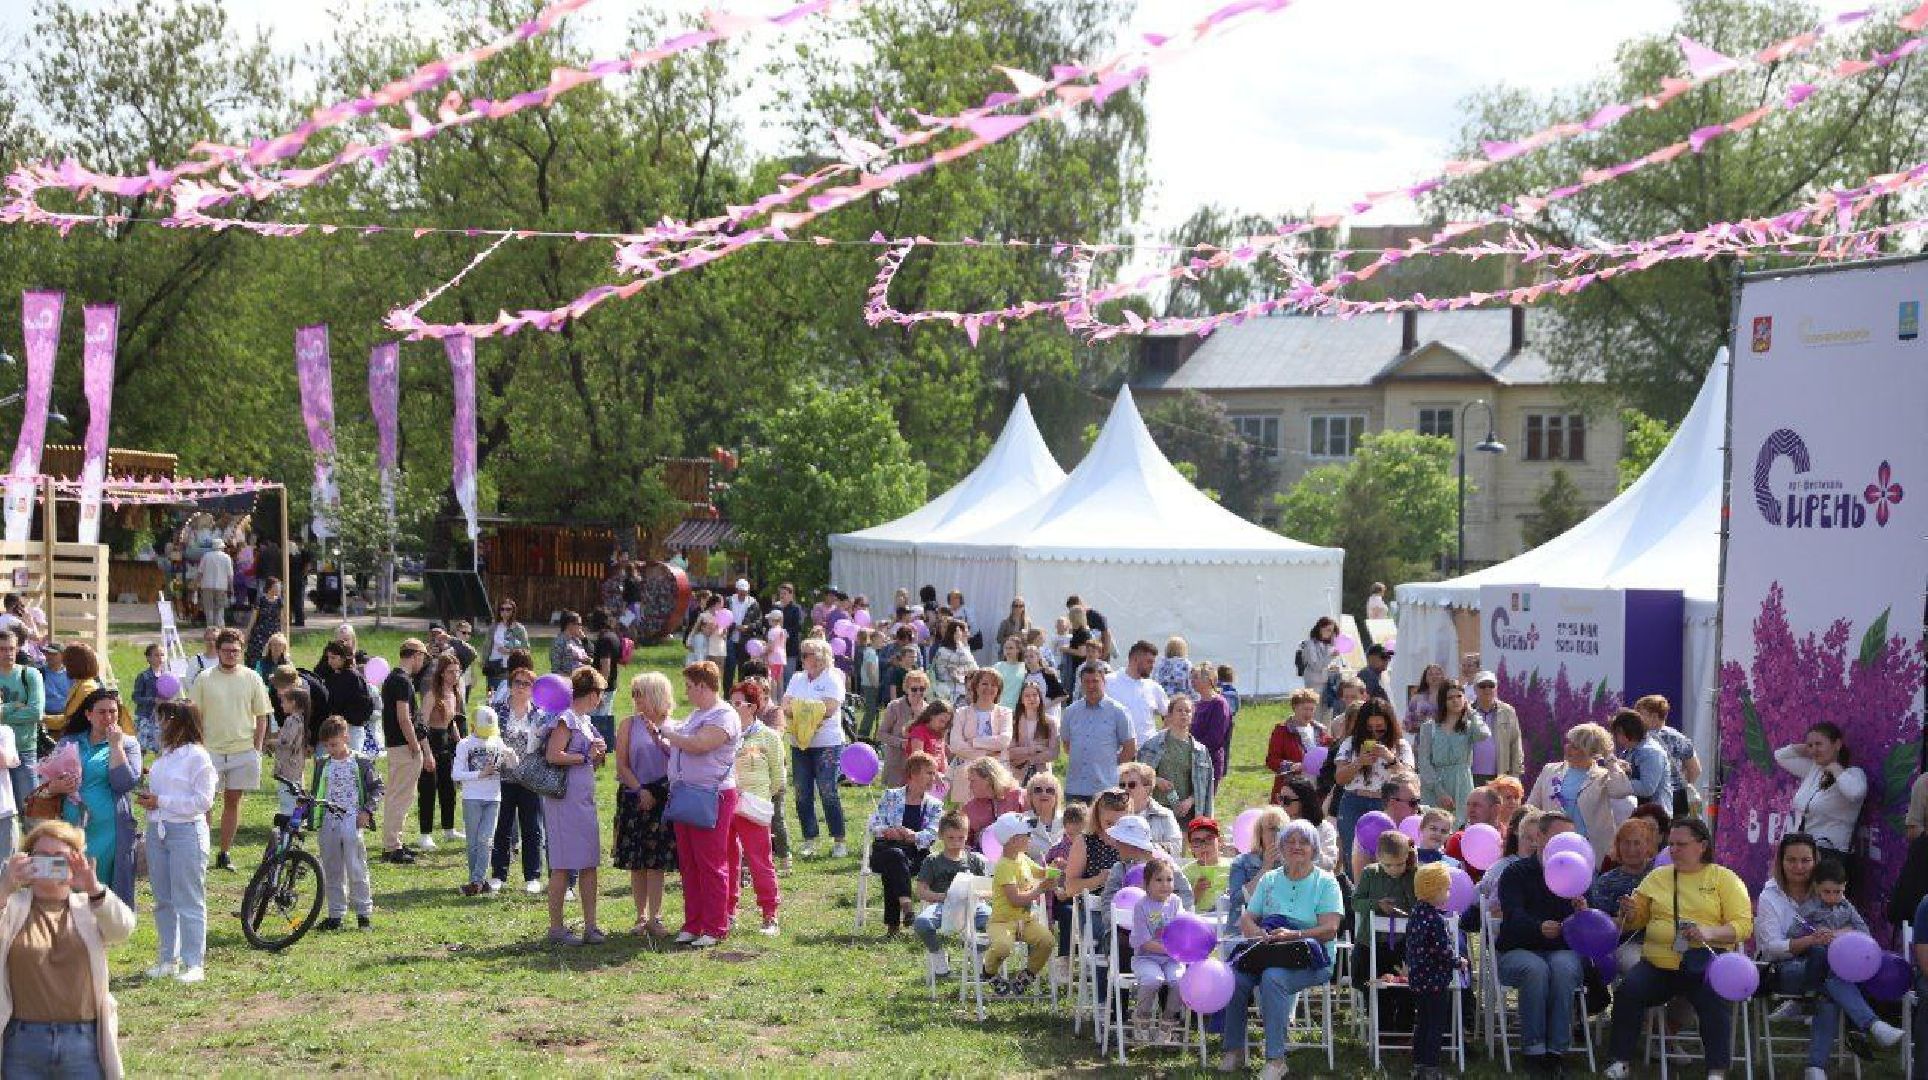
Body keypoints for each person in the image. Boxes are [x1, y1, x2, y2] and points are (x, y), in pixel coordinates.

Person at [1602, 818, 1754, 1080]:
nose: (1673, 850)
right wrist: (1629, 910)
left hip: (1703, 960)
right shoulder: (1658, 876)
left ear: (1702, 846)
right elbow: (1637, 921)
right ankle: (1621, 1061)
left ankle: (1716, 1070)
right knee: (1628, 992)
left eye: (1681, 844)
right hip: (1658, 963)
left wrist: (1710, 932)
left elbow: (1743, 925)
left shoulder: (1725, 879)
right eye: (1670, 844)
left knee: (1713, 1000)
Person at [0, 819, 135, 1078]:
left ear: (76, 861)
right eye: (42, 856)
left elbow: (123, 929)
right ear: (27, 860)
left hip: (83, 1041)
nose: (51, 863)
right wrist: (5, 886)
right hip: (22, 1041)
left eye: (59, 857)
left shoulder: (90, 906)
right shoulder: (12, 905)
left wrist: (94, 888)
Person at [1220, 819, 1343, 1080]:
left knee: (1273, 977)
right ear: (1281, 847)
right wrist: (1255, 931)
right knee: (1235, 978)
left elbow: (1330, 929)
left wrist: (1294, 934)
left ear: (1314, 848)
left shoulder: (1326, 882)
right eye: (1290, 841)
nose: (1296, 847)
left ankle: (1275, 1059)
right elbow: (1247, 917)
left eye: (1304, 842)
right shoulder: (1271, 879)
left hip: (1312, 959)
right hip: (1270, 952)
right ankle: (1234, 1049)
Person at [1777, 857, 1907, 1068]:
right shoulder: (1809, 908)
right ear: (1817, 888)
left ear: (1844, 888)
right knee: (1825, 965)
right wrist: (1812, 937)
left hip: (1838, 968)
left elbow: (1865, 933)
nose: (1832, 897)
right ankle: (1872, 1024)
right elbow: (1792, 935)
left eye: (1837, 892)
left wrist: (1838, 933)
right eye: (1827, 892)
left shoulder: (1847, 907)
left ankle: (1815, 1068)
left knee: (1829, 993)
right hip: (1812, 965)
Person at [1496, 810, 1587, 1075]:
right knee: (1535, 970)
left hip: (1561, 950)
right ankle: (1534, 1049)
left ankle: (1557, 1051)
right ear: (1540, 837)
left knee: (1563, 968)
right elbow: (1513, 913)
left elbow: (1588, 924)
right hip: (1519, 949)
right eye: (1559, 837)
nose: (1566, 844)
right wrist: (1538, 927)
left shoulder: (1579, 870)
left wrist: (1582, 911)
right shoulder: (1516, 872)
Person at [657, 661, 740, 947]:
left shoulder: (724, 716)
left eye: (690, 686)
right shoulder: (696, 714)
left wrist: (668, 732)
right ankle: (693, 923)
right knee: (689, 864)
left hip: (711, 797)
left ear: (704, 686)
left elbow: (700, 744)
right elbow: (681, 743)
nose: (687, 692)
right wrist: (665, 734)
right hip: (686, 795)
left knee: (710, 862)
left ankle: (715, 926)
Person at [135, 700, 215, 982]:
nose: (161, 725)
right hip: (159, 830)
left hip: (186, 833)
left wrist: (161, 801)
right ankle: (169, 958)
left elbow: (203, 801)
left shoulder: (198, 757)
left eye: (166, 719)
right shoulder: (166, 754)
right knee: (163, 899)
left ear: (180, 723)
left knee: (189, 899)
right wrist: (151, 801)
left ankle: (195, 963)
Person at [538, 668, 609, 945]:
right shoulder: (565, 719)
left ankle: (591, 926)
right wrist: (584, 756)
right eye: (600, 694)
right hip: (563, 801)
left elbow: (590, 758)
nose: (600, 699)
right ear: (592, 694)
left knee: (589, 862)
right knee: (563, 865)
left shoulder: (586, 721)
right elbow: (554, 755)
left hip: (583, 801)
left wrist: (597, 755)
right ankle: (556, 928)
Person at [55, 690, 142, 907]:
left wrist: (116, 746)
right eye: (101, 712)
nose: (108, 717)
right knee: (70, 874)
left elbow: (124, 783)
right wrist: (57, 785)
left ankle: (106, 925)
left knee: (102, 878)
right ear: (88, 715)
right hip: (71, 825)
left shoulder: (128, 744)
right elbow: (46, 779)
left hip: (109, 829)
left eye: (113, 712)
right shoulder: (69, 742)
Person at [613, 673, 677, 934]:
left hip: (663, 796)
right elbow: (621, 765)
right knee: (637, 861)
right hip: (633, 794)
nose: (635, 699)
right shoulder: (628, 724)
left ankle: (656, 916)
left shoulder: (674, 726)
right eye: (634, 693)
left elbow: (678, 761)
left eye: (640, 693)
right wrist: (639, 790)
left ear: (655, 694)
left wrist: (660, 740)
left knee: (656, 862)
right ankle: (640, 916)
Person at [308, 716, 380, 932]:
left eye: (334, 744)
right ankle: (336, 913)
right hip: (329, 820)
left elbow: (377, 788)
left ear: (346, 738)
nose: (330, 749)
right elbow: (316, 792)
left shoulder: (361, 762)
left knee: (356, 866)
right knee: (332, 867)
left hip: (351, 819)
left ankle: (363, 913)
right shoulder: (322, 765)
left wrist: (367, 810)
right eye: (327, 745)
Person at [1774, 721, 1867, 884]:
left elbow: (1856, 793)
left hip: (1830, 855)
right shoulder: (1814, 770)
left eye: (1819, 744)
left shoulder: (1852, 774)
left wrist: (1835, 768)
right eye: (1810, 745)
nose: (1814, 749)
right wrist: (1806, 748)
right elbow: (1780, 756)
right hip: (1804, 853)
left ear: (1837, 744)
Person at [867, 751, 946, 938]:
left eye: (934, 773)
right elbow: (874, 824)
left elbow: (933, 834)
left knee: (894, 863)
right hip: (885, 848)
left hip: (915, 856)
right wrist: (888, 831)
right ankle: (906, 906)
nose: (933, 778)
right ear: (913, 774)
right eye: (929, 773)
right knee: (894, 855)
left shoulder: (935, 804)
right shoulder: (892, 795)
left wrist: (914, 836)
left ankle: (894, 923)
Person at [782, 639, 848, 860]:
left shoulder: (832, 678)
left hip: (827, 743)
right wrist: (809, 711)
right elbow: (785, 707)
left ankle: (839, 840)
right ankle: (809, 839)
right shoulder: (797, 678)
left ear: (822, 655)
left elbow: (829, 709)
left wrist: (800, 709)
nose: (805, 658)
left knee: (828, 791)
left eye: (809, 653)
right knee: (802, 793)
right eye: (803, 654)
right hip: (799, 743)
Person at [727, 680, 783, 936]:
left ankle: (770, 915)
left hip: (754, 806)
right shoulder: (723, 733)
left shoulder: (769, 737)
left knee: (760, 860)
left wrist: (757, 795)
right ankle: (728, 911)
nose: (732, 707)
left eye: (738, 703)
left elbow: (778, 778)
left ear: (752, 707)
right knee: (726, 860)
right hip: (725, 804)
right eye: (731, 702)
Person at [1526, 722, 1634, 852]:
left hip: (1590, 850)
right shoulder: (1549, 770)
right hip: (1553, 847)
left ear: (1590, 751)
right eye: (1568, 743)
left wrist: (1609, 758)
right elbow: (1532, 807)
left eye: (1575, 747)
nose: (1568, 748)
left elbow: (1622, 791)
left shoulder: (1604, 776)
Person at [1332, 698, 1414, 863]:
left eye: (1380, 729)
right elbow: (1339, 779)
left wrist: (1389, 757)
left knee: (1386, 854)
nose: (1375, 734)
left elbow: (1410, 779)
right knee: (1352, 855)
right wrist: (1359, 762)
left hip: (1386, 803)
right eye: (1369, 729)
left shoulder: (1400, 745)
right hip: (1354, 802)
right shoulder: (1350, 744)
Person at [491, 660, 549, 892]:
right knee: (502, 826)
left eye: (527, 684)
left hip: (530, 779)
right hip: (503, 778)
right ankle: (499, 874)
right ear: (510, 685)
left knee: (532, 828)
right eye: (517, 682)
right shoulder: (497, 711)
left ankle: (532, 876)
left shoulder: (541, 715)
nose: (521, 687)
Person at [982, 812, 1053, 997]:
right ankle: (988, 970)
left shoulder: (1022, 857)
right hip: (1002, 922)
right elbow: (1015, 899)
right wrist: (1039, 890)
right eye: (1027, 835)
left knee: (1047, 941)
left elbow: (1040, 872)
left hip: (1025, 921)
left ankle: (1028, 974)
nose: (1030, 839)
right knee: (1003, 947)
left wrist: (1054, 871)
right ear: (1013, 840)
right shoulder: (1004, 866)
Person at [912, 810, 988, 979]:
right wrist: (942, 896)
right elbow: (921, 891)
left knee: (992, 921)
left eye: (960, 838)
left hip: (972, 905)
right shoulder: (932, 861)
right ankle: (938, 955)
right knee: (922, 923)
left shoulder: (975, 860)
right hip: (943, 905)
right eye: (951, 838)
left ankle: (978, 953)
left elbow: (988, 890)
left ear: (967, 836)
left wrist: (976, 894)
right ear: (941, 836)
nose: (956, 842)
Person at [377, 641, 430, 866]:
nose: (423, 663)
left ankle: (395, 840)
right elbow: (403, 717)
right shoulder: (402, 680)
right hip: (403, 746)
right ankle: (392, 846)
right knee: (400, 796)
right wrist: (415, 745)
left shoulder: (393, 678)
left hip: (396, 745)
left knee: (399, 795)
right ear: (416, 655)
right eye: (423, 658)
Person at [1406, 861, 1460, 1080]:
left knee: (1422, 1022)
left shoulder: (1415, 913)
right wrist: (1458, 961)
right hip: (1436, 979)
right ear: (1435, 890)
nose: (1448, 893)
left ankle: (1418, 1064)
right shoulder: (1435, 919)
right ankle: (1431, 1068)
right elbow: (1441, 950)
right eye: (1446, 888)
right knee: (1435, 1024)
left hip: (1418, 978)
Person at [1129, 855, 1190, 1037]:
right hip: (1146, 957)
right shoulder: (1141, 906)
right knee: (1152, 980)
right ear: (1146, 883)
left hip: (1172, 959)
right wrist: (1171, 948)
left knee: (1179, 981)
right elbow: (1145, 942)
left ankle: (1168, 1019)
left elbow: (1182, 926)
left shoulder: (1176, 902)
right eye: (1159, 880)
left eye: (1169, 879)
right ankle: (1142, 1016)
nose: (1165, 884)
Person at [1415, 680, 1490, 827]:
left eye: (1459, 696)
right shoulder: (1429, 727)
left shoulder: (1469, 727)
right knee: (1435, 824)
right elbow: (1423, 761)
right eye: (1450, 698)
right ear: (1443, 701)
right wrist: (1439, 791)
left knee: (1461, 825)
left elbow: (1484, 734)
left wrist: (1471, 712)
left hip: (1462, 783)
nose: (1456, 701)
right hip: (1435, 783)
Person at [450, 707, 508, 897]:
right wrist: (480, 774)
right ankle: (477, 881)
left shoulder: (497, 740)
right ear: (473, 725)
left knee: (486, 840)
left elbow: (511, 765)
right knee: (473, 843)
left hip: (493, 798)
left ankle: (477, 882)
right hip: (472, 798)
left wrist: (511, 758)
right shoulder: (464, 744)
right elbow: (456, 774)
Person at [1060, 662, 1136, 803]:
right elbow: (1066, 745)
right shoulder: (1071, 712)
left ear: (1103, 682)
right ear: (1081, 684)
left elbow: (1130, 747)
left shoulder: (1118, 711)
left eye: (1095, 681)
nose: (1090, 686)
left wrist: (1111, 764)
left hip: (1105, 788)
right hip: (1074, 788)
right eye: (1086, 681)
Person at [1353, 829, 1418, 987]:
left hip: (1402, 942)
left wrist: (1413, 868)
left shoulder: (1412, 875)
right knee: (1375, 987)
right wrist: (1377, 904)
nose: (1394, 869)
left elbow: (1416, 904)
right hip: (1372, 942)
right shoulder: (1371, 873)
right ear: (1378, 857)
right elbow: (1355, 902)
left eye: (1399, 864)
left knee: (1404, 988)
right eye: (1388, 865)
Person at [1137, 695, 1214, 826]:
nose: (1184, 714)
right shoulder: (1152, 745)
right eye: (1179, 710)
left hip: (1185, 812)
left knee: (1182, 846)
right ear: (1170, 715)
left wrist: (1190, 801)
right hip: (1156, 810)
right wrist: (1156, 780)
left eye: (1188, 711)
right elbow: (1137, 775)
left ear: (1192, 716)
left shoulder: (1200, 751)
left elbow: (1206, 786)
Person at [416, 654, 467, 850]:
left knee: (449, 789)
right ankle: (425, 834)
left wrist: (460, 742)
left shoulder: (454, 693)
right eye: (450, 672)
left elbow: (452, 720)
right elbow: (421, 726)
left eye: (457, 671)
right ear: (442, 673)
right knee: (428, 790)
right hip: (431, 744)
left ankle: (449, 828)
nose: (455, 675)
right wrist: (427, 754)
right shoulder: (432, 695)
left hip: (447, 746)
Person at [0, 629, 43, 819]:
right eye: (2, 649)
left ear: (17, 649)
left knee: (32, 813)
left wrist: (2, 712)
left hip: (25, 750)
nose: (7, 653)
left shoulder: (30, 675)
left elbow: (36, 713)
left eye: (11, 648)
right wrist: (13, 706)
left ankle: (35, 849)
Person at [1634, 694, 1700, 818]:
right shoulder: (1679, 738)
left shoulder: (1642, 739)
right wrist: (1681, 785)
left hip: (1652, 798)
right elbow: (1695, 769)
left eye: (1640, 714)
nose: (1636, 718)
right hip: (1678, 796)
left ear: (1653, 716)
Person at [1587, 816, 1660, 916]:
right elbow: (1599, 920)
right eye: (1626, 843)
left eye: (1637, 843)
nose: (1631, 849)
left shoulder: (1658, 873)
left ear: (1648, 845)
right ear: (1618, 845)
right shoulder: (1606, 882)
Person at [949, 668, 1012, 782]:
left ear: (998, 689)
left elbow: (1004, 740)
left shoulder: (1005, 712)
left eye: (993, 685)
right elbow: (955, 745)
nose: (989, 688)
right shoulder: (961, 712)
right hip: (967, 773)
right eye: (984, 683)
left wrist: (974, 742)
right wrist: (986, 754)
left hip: (997, 773)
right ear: (976, 687)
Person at [1265, 688, 1325, 805]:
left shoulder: (1321, 731)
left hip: (1316, 790)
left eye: (1311, 709)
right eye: (1304, 709)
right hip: (1290, 790)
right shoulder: (1282, 730)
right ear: (1295, 708)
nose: (1308, 713)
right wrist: (1291, 766)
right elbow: (1271, 760)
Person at [1609, 707, 1672, 816]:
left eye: (1617, 733)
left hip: (1655, 817)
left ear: (1625, 732)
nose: (1615, 738)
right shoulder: (1630, 750)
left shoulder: (1651, 752)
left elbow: (1647, 788)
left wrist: (1618, 783)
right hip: (1639, 814)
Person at [1105, 642, 1170, 747]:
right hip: (1117, 750)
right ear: (1135, 659)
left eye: (1153, 662)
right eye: (1149, 662)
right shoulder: (1109, 682)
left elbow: (1170, 715)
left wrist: (1159, 739)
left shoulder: (1154, 687)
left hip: (1147, 752)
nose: (1152, 666)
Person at [1117, 761, 1184, 857]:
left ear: (1147, 788)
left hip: (1155, 868)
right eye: (1122, 785)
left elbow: (1176, 848)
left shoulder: (1164, 814)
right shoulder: (1114, 813)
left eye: (1132, 785)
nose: (1126, 789)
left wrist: (1147, 849)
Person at [876, 669, 929, 788]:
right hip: (896, 762)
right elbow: (881, 734)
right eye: (914, 689)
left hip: (919, 764)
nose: (918, 692)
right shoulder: (894, 706)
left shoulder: (928, 710)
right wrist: (900, 743)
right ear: (906, 689)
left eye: (922, 689)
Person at [1469, 671, 1524, 783]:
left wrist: (1515, 775)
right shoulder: (1467, 711)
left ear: (1496, 688)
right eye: (1482, 686)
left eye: (1491, 685)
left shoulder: (1508, 711)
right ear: (1475, 689)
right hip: (1470, 775)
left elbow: (1515, 743)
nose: (1487, 689)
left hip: (1500, 775)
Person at [959, 757, 1023, 850]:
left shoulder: (1017, 797)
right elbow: (964, 840)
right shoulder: (969, 808)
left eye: (973, 781)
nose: (970, 786)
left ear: (988, 779)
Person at [1444, 787, 1504, 882]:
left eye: (1476, 805)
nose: (1470, 810)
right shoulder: (1458, 840)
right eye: (1468, 805)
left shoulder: (1508, 839)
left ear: (1495, 809)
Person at [1006, 682, 1059, 784]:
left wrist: (1027, 758)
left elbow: (1053, 753)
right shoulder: (1013, 722)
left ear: (1040, 698)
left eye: (1035, 695)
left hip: (1041, 775)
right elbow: (1009, 752)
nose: (1031, 698)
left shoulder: (1050, 723)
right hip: (1017, 775)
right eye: (1027, 695)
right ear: (1021, 699)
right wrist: (1033, 749)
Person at [483, 599, 529, 690]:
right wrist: (484, 662)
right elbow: (487, 646)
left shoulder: (519, 629)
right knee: (493, 696)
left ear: (513, 611)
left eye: (508, 609)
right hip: (495, 667)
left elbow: (526, 649)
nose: (505, 612)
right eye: (502, 609)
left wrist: (509, 651)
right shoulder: (494, 627)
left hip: (512, 666)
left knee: (510, 693)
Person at [241, 577, 284, 668]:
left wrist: (282, 635)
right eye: (276, 587)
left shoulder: (279, 601)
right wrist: (247, 633)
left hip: (273, 633)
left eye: (279, 587)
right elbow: (253, 618)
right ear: (270, 587)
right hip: (260, 633)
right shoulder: (261, 600)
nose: (278, 589)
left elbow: (281, 619)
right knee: (256, 655)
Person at [930, 620, 975, 706]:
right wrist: (959, 643)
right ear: (956, 633)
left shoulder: (963, 649)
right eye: (965, 631)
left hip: (962, 695)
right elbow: (964, 662)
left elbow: (974, 669)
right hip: (948, 696)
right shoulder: (943, 651)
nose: (968, 634)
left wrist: (964, 645)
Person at [131, 644, 166, 754]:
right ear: (148, 658)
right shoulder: (143, 676)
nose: (160, 658)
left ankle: (158, 770)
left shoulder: (166, 677)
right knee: (141, 748)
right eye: (156, 655)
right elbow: (136, 697)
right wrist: (153, 700)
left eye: (162, 655)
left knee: (161, 748)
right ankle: (138, 769)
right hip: (145, 717)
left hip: (160, 717)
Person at [198, 539, 233, 627]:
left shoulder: (206, 556)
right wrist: (231, 587)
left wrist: (197, 584)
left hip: (207, 585)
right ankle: (220, 627)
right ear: (221, 547)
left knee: (209, 608)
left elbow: (200, 572)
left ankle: (210, 626)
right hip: (221, 586)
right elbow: (230, 575)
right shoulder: (226, 557)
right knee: (220, 608)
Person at [1405, 662, 1448, 730]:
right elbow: (1407, 722)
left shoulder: (1449, 697)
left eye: (1437, 674)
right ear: (1425, 678)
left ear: (1443, 677)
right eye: (1430, 674)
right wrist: (1418, 724)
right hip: (1423, 736)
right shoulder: (1416, 698)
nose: (1434, 676)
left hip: (1445, 736)